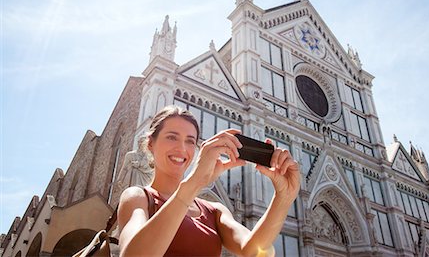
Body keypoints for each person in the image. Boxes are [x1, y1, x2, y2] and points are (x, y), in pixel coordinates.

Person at [118, 105, 300, 256]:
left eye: (190, 141)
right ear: (150, 143)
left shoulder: (214, 211)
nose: (182, 148)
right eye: (171, 137)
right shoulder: (138, 197)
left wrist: (283, 198)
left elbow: (252, 250)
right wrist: (195, 181)